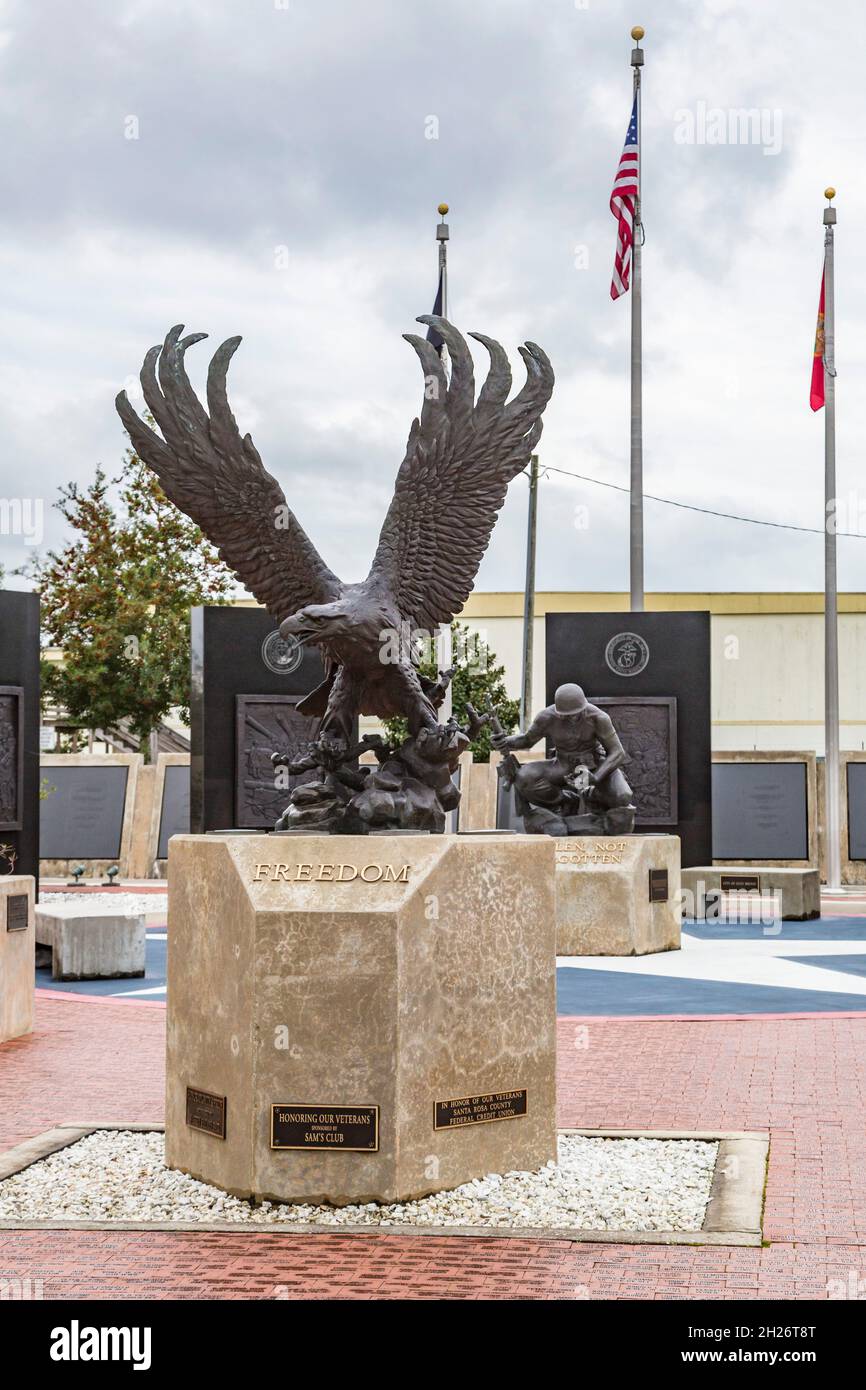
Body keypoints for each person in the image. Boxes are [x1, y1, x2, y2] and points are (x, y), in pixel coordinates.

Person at [492, 683, 633, 824]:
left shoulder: (598, 718)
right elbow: (527, 740)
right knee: (524, 777)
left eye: (577, 714)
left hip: (594, 764)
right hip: (563, 765)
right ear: (558, 712)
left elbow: (617, 752)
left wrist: (595, 777)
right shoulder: (546, 717)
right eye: (568, 716)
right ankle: (565, 801)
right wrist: (505, 741)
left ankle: (592, 796)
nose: (573, 718)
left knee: (623, 796)